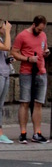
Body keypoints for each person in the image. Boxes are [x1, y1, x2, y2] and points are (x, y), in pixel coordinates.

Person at [11, 15, 50, 144]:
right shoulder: (22, 36)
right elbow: (14, 52)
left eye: (42, 30)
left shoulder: (43, 35)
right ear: (33, 25)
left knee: (38, 103)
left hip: (41, 71)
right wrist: (27, 59)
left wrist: (46, 52)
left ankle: (37, 132)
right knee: (25, 102)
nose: (40, 32)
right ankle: (23, 132)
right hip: (27, 72)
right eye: (38, 29)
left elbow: (43, 49)